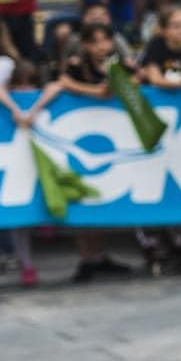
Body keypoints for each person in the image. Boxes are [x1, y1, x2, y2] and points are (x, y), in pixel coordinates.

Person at [30, 23, 138, 283]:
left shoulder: (119, 64)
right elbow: (64, 82)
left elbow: (136, 80)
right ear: (86, 45)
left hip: (110, 138)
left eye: (105, 40)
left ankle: (100, 255)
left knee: (101, 196)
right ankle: (86, 256)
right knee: (81, 197)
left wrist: (116, 86)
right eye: (95, 42)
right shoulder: (77, 65)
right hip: (77, 136)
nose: (101, 47)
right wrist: (96, 92)